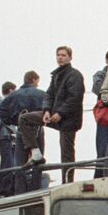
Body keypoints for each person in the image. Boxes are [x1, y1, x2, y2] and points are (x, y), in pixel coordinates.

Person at [0, 70, 46, 194]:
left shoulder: (14, 95)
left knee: (20, 163)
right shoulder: (41, 94)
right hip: (37, 129)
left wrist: (12, 121)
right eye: (37, 81)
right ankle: (36, 189)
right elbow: (50, 109)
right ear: (34, 80)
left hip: (21, 129)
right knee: (38, 160)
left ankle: (20, 191)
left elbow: (0, 109)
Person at [41, 45, 86, 184]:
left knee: (66, 151)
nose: (60, 57)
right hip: (54, 116)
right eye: (58, 55)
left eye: (63, 55)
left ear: (70, 57)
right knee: (26, 119)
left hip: (69, 120)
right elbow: (49, 94)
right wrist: (47, 110)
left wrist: (60, 113)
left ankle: (67, 181)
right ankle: (34, 152)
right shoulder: (56, 75)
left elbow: (75, 97)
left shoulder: (75, 75)